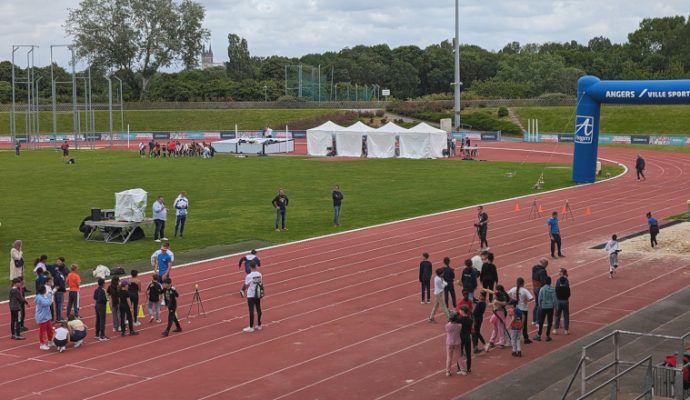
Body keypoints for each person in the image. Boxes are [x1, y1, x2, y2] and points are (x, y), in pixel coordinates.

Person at [508, 277, 534, 345]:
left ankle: (514, 337)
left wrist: (512, 300)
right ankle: (525, 338)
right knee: (523, 324)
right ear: (523, 283)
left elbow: (507, 295)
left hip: (515, 309)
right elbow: (531, 298)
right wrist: (526, 301)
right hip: (523, 309)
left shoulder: (513, 289)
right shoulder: (524, 290)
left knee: (515, 323)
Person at [534, 276, 557, 342]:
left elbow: (539, 298)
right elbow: (554, 299)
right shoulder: (553, 290)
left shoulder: (542, 289)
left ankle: (539, 335)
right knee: (549, 322)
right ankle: (547, 336)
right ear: (550, 282)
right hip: (550, 307)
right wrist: (554, 306)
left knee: (541, 321)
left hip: (543, 307)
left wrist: (540, 305)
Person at [243, 263, 264, 332]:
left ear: (250, 267)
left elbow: (246, 285)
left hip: (251, 295)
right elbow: (261, 283)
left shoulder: (249, 276)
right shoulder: (260, 274)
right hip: (257, 294)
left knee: (251, 310)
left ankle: (251, 327)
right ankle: (259, 325)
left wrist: (242, 290)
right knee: (258, 309)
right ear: (256, 266)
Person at [46, 257, 67, 321]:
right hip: (59, 291)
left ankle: (58, 317)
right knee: (59, 304)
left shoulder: (57, 274)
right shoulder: (60, 275)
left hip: (57, 290)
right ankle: (59, 318)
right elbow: (60, 284)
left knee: (57, 304)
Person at [488, 285, 509, 349]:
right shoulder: (497, 295)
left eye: (496, 290)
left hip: (500, 312)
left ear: (498, 290)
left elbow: (505, 303)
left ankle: (502, 342)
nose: (495, 291)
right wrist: (492, 303)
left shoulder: (502, 295)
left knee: (500, 328)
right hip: (495, 312)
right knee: (495, 328)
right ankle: (492, 341)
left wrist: (497, 302)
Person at [35, 285, 55, 350]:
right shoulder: (39, 298)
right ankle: (42, 344)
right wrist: (50, 296)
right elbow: (47, 303)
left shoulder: (42, 296)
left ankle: (50, 341)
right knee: (42, 331)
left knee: (50, 330)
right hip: (42, 316)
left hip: (47, 316)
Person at [531, 258, 549, 326]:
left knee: (536, 304)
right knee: (540, 305)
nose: (546, 266)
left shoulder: (534, 268)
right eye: (546, 265)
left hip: (535, 287)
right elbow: (543, 281)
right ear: (544, 264)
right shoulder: (542, 271)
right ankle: (538, 322)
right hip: (540, 289)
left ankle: (534, 320)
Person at [457, 305, 474, 375]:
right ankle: (469, 368)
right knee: (468, 353)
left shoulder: (460, 319)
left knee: (459, 353)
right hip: (468, 337)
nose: (459, 311)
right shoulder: (470, 320)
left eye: (460, 310)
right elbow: (471, 330)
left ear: (463, 311)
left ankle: (460, 368)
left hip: (461, 337)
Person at [444, 312, 462, 377]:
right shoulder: (459, 326)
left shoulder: (447, 326)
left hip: (449, 343)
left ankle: (448, 371)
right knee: (459, 357)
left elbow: (447, 328)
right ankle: (462, 369)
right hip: (457, 342)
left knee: (449, 357)